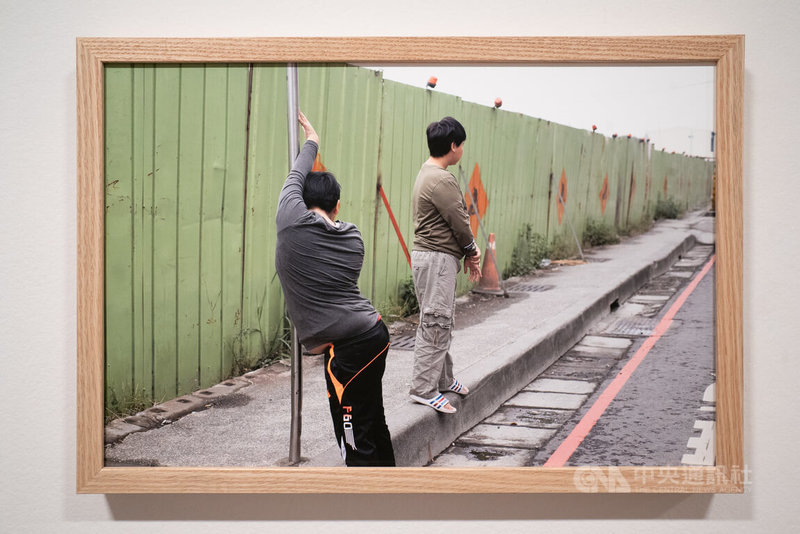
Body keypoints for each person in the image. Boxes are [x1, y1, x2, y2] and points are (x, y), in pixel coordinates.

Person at [275, 111, 395, 466]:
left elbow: (295, 176)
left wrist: (312, 140)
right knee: (374, 422)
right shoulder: (353, 237)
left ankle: (365, 514)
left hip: (351, 351)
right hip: (373, 334)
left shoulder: (291, 224)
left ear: (300, 201)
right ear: (337, 205)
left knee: (355, 439)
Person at [408, 116, 482, 414]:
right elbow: (460, 222)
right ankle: (423, 389)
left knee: (439, 320)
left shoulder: (427, 173)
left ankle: (443, 379)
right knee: (436, 323)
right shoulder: (441, 179)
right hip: (437, 259)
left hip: (433, 258)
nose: (462, 150)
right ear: (453, 146)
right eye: (461, 145)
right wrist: (473, 252)